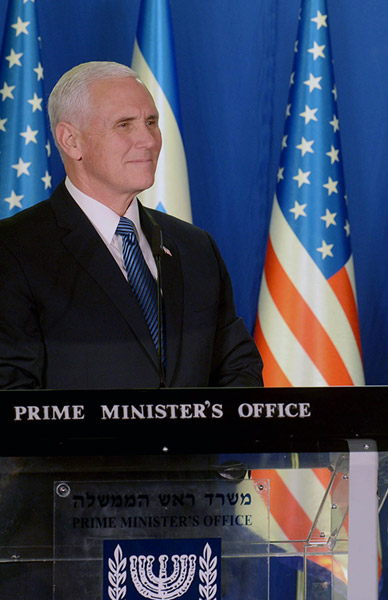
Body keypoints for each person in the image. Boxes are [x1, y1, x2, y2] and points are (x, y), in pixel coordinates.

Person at [0, 61, 263, 389]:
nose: (148, 140)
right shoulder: (13, 251)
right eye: (124, 124)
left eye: (151, 122)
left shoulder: (196, 247)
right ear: (70, 141)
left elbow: (236, 369)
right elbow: (12, 397)